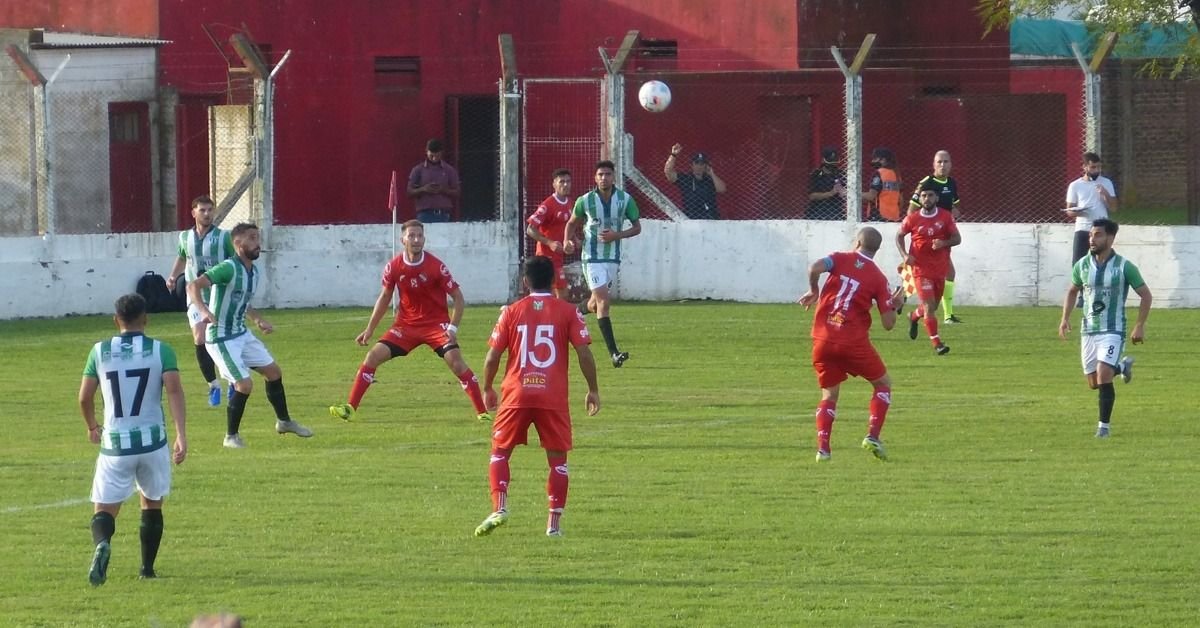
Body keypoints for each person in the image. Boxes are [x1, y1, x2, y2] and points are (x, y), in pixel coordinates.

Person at [474, 256, 600, 538]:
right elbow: (584, 352)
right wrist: (593, 389)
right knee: (558, 461)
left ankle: (500, 507)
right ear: (554, 282)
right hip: (552, 397)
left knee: (500, 451)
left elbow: (493, 355)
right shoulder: (568, 312)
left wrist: (488, 387)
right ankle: (553, 527)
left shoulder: (511, 312)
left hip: (516, 393)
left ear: (525, 282)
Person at [329, 219, 490, 423]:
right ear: (402, 239)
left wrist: (452, 328)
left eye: (420, 236)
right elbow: (385, 297)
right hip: (406, 327)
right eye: (411, 236)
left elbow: (458, 297)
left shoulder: (435, 266)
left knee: (456, 363)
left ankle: (482, 413)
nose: (416, 239)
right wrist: (369, 330)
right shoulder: (394, 266)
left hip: (435, 325)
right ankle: (350, 408)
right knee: (372, 357)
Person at [79, 293, 187, 586]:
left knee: (104, 509)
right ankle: (147, 570)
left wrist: (91, 426)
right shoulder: (161, 351)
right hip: (152, 443)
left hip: (115, 445)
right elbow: (174, 391)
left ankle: (102, 543)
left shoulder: (99, 351)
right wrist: (181, 435)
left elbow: (84, 397)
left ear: (116, 320)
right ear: (146, 319)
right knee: (152, 505)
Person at [187, 223, 313, 448]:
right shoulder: (228, 268)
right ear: (238, 244)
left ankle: (284, 422)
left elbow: (242, 302)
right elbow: (193, 286)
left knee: (274, 372)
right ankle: (230, 437)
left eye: (258, 238)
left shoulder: (253, 272)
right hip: (221, 337)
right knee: (244, 385)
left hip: (241, 334)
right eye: (252, 239)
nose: (258, 244)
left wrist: (257, 319)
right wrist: (204, 310)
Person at [798, 228, 898, 463]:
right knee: (883, 383)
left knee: (829, 394)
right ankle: (872, 436)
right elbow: (888, 324)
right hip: (853, 342)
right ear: (877, 249)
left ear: (858, 242)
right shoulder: (878, 278)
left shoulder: (840, 259)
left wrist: (814, 290)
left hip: (823, 339)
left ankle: (823, 450)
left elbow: (814, 267)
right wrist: (896, 304)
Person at [1058, 218, 1149, 438]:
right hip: (1088, 330)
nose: (1092, 239)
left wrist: (1139, 325)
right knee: (1093, 383)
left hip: (1113, 329)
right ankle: (1122, 367)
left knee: (1103, 375)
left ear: (1110, 237)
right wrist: (1065, 318)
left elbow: (1145, 295)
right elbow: (1072, 291)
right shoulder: (1082, 265)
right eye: (1090, 235)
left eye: (1097, 234)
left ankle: (1103, 428)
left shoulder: (1124, 267)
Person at [563, 160, 642, 368]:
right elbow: (572, 223)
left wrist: (617, 235)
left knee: (593, 304)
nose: (604, 178)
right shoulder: (586, 200)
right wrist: (567, 240)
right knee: (604, 303)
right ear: (595, 178)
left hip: (613, 258)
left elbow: (637, 227)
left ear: (613, 177)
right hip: (592, 258)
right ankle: (614, 353)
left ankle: (567, 316)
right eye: (600, 174)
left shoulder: (625, 200)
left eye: (607, 174)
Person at [165, 195, 236, 407]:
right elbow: (182, 257)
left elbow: (235, 262)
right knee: (199, 337)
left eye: (210, 210)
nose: (207, 214)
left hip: (219, 296)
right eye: (202, 210)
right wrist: (172, 276)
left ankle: (232, 379)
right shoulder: (184, 237)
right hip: (195, 297)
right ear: (193, 212)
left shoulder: (224, 238)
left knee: (221, 340)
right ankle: (213, 385)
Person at [896, 181, 961, 356]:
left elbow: (957, 239)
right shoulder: (913, 218)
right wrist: (904, 255)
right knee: (929, 305)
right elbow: (899, 236)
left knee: (930, 308)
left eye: (930, 195)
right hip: (920, 269)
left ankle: (913, 316)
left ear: (937, 198)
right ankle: (937, 343)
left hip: (939, 269)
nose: (927, 198)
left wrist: (944, 243)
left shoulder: (946, 217)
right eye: (924, 196)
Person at [909, 150, 964, 324]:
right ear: (933, 164)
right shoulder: (927, 183)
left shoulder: (952, 183)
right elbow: (911, 211)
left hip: (943, 239)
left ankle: (918, 307)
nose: (942, 165)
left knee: (946, 274)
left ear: (951, 164)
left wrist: (952, 216)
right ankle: (945, 315)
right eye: (939, 162)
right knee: (945, 273)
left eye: (946, 161)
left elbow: (955, 207)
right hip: (929, 240)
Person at [1065, 152, 1119, 308]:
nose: (1097, 170)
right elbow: (1069, 210)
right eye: (1093, 167)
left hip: (1101, 228)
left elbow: (1114, 207)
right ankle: (1082, 295)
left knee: (1102, 261)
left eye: (1099, 167)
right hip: (1082, 228)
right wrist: (1079, 211)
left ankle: (1102, 294)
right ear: (1085, 167)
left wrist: (1106, 195)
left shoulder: (1106, 183)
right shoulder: (1075, 185)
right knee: (1079, 262)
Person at [525, 168, 575, 299]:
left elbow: (569, 226)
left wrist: (572, 240)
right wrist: (550, 242)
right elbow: (530, 229)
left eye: (568, 181)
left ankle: (552, 318)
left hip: (558, 257)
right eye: (561, 182)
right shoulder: (547, 205)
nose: (565, 185)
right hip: (545, 257)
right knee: (558, 292)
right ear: (554, 184)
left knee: (557, 293)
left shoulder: (570, 203)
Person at [664, 143, 726, 219]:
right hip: (692, 220)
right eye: (696, 163)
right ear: (692, 165)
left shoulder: (710, 180)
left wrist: (712, 174)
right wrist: (673, 155)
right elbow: (668, 172)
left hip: (711, 219)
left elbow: (722, 189)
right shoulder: (686, 179)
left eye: (702, 164)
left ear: (705, 166)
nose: (699, 166)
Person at [407, 138, 460, 223]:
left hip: (444, 214)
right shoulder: (418, 170)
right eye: (431, 155)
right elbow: (409, 192)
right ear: (426, 152)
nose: (434, 158)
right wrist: (424, 189)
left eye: (437, 155)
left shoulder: (449, 170)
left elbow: (457, 192)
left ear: (441, 153)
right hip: (424, 214)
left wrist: (443, 190)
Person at [861, 147, 903, 222]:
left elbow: (871, 196)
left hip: (878, 216)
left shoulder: (879, 173)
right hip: (894, 216)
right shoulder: (897, 175)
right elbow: (901, 200)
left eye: (875, 158)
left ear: (883, 160)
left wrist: (854, 194)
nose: (872, 161)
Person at [806, 146, 846, 220]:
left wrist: (843, 192)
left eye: (834, 161)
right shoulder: (816, 174)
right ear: (823, 160)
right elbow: (812, 196)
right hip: (817, 212)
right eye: (831, 161)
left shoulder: (841, 174)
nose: (833, 164)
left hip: (836, 212)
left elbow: (846, 194)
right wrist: (831, 193)